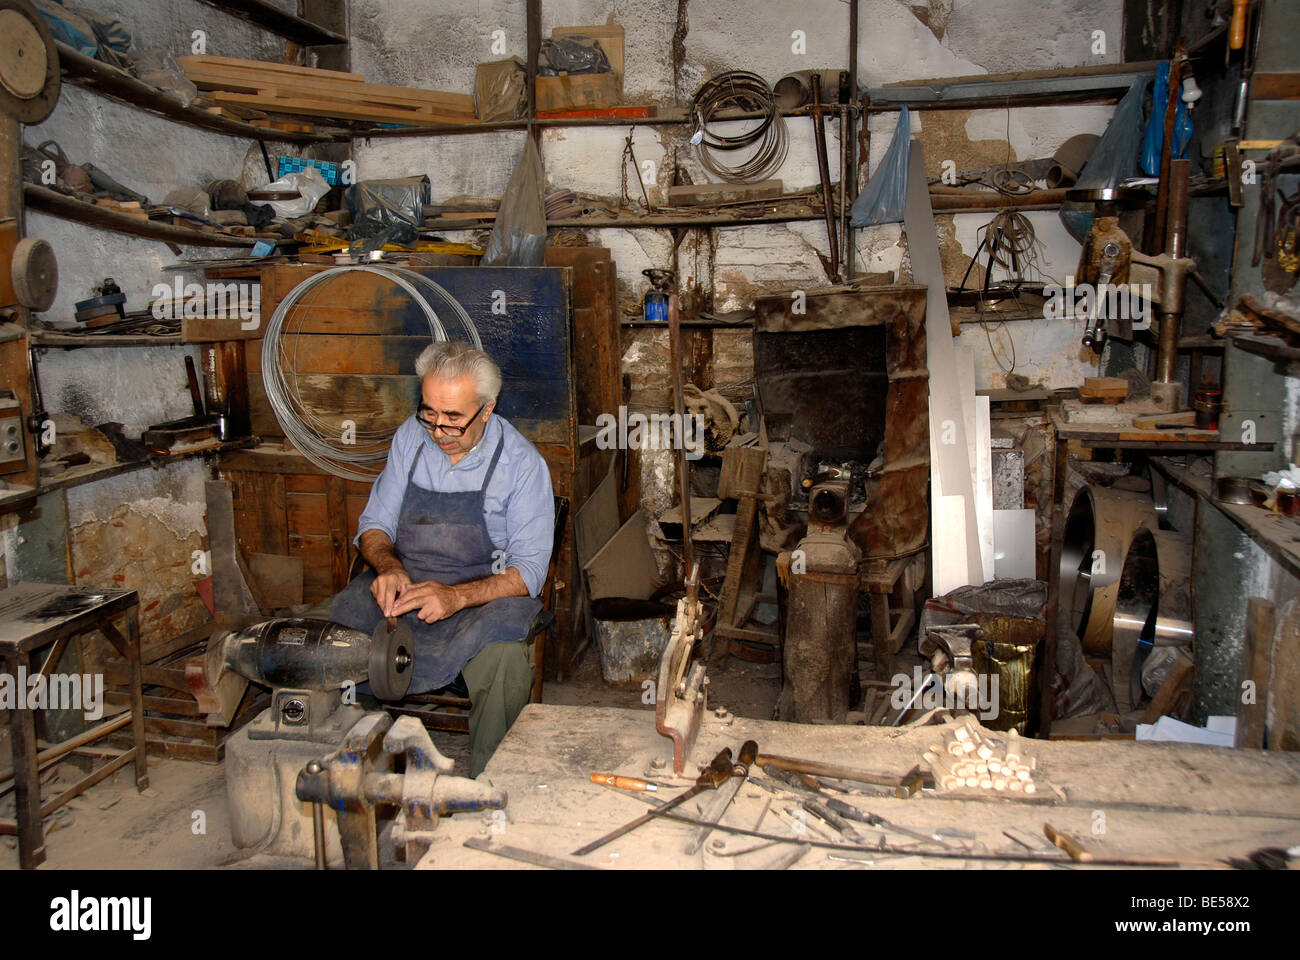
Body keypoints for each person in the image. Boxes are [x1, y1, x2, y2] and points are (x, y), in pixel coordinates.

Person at [329, 340, 555, 776]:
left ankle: (486, 783)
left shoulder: (522, 465)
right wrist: (390, 567)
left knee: (505, 662)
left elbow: (528, 573)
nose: (437, 431)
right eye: (429, 413)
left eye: (453, 419)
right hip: (408, 588)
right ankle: (363, 766)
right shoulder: (410, 439)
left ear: (487, 409)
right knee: (337, 635)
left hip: (483, 600)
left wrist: (454, 597)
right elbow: (374, 524)